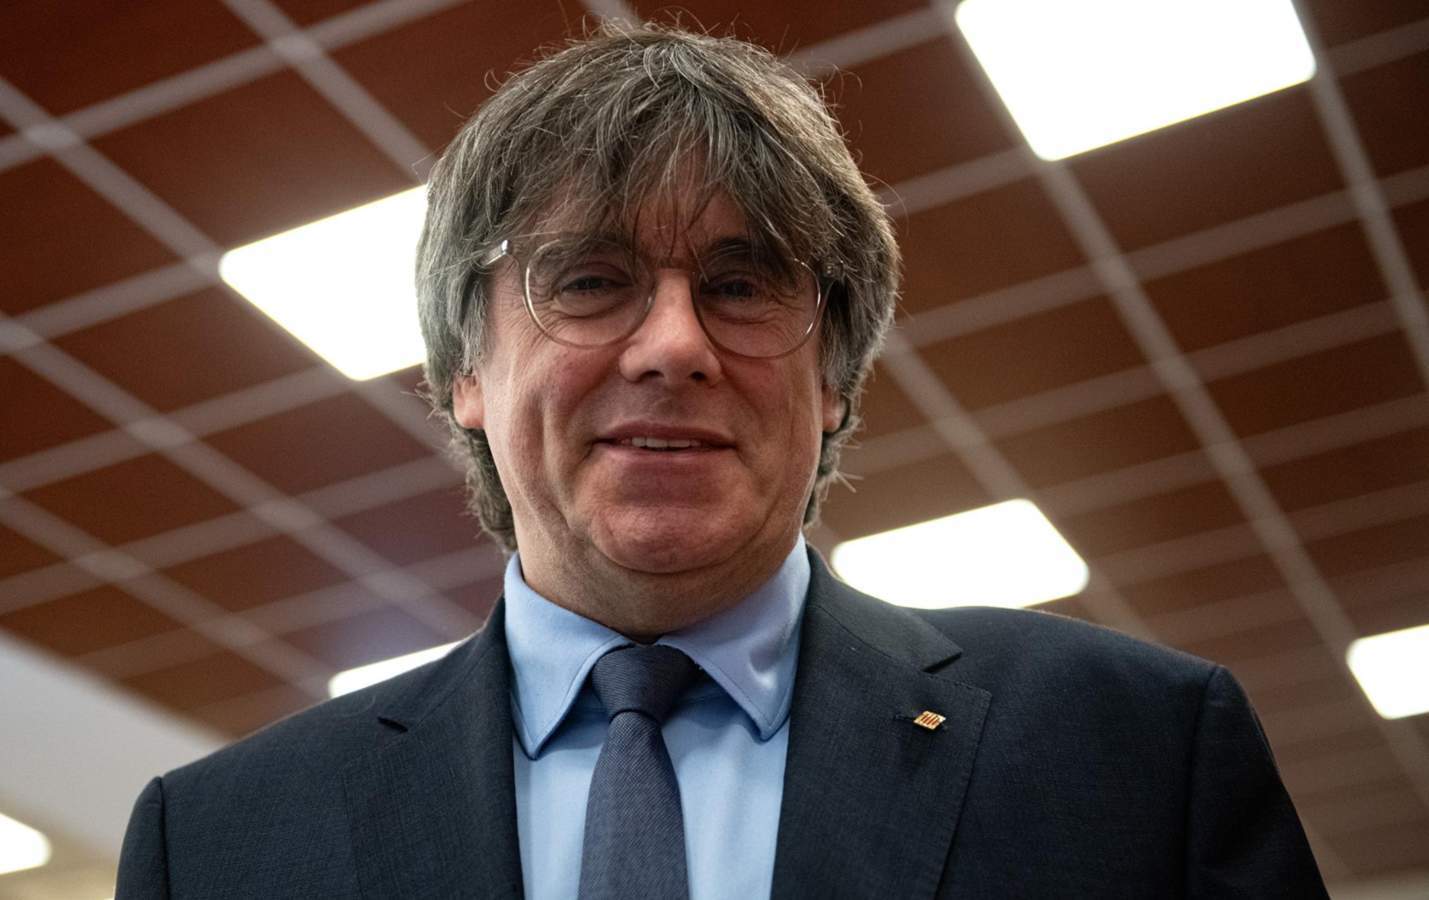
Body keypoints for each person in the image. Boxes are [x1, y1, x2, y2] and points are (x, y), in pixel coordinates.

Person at [117, 22, 1328, 899]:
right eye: (589, 280)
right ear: (462, 373)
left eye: (743, 285)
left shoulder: (1135, 751)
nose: (674, 345)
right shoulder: (219, 844)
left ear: (833, 378)